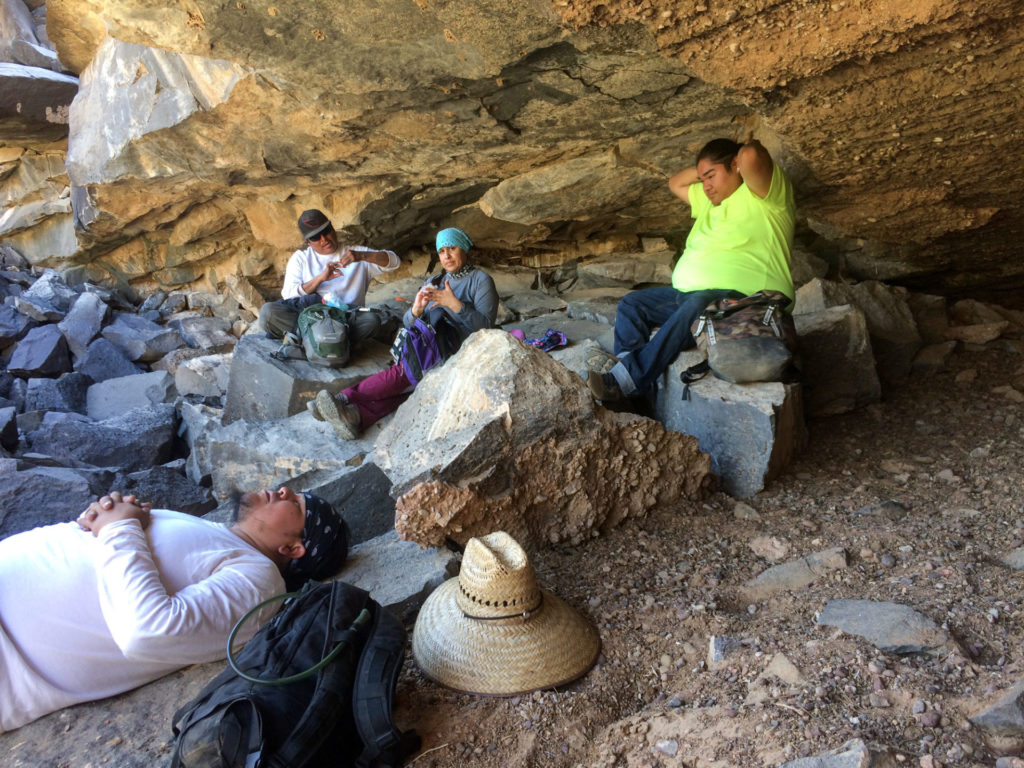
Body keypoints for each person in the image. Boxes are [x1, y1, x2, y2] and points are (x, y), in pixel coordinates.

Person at [0, 486, 348, 733]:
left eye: (298, 505)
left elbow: (149, 632)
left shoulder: (259, 581)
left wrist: (119, 527)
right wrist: (103, 518)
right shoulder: (223, 538)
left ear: (293, 548)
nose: (284, 489)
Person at [587, 136, 796, 401]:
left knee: (700, 302)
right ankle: (633, 387)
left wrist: (743, 147)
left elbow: (752, 155)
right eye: (703, 179)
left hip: (745, 301)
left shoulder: (766, 197)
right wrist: (705, 172)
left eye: (711, 176)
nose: (706, 186)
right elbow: (676, 183)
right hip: (690, 299)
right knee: (632, 304)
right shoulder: (708, 203)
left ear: (736, 165)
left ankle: (624, 380)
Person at [311, 227, 498, 439]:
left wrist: (454, 304)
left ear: (463, 249)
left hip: (459, 351)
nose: (446, 256)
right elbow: (410, 324)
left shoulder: (480, 280)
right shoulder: (434, 282)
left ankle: (345, 399)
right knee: (413, 391)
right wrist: (416, 310)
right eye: (442, 251)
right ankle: (356, 416)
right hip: (428, 348)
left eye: (452, 248)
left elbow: (486, 329)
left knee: (402, 373)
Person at [258, 208, 400, 346]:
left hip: (345, 321)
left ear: (332, 228)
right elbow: (288, 295)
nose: (324, 239)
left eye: (326, 231)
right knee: (268, 313)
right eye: (315, 237)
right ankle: (328, 344)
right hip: (309, 319)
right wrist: (320, 279)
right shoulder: (300, 259)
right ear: (308, 242)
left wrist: (362, 256)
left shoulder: (354, 254)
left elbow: (394, 262)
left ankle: (315, 344)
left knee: (372, 321)